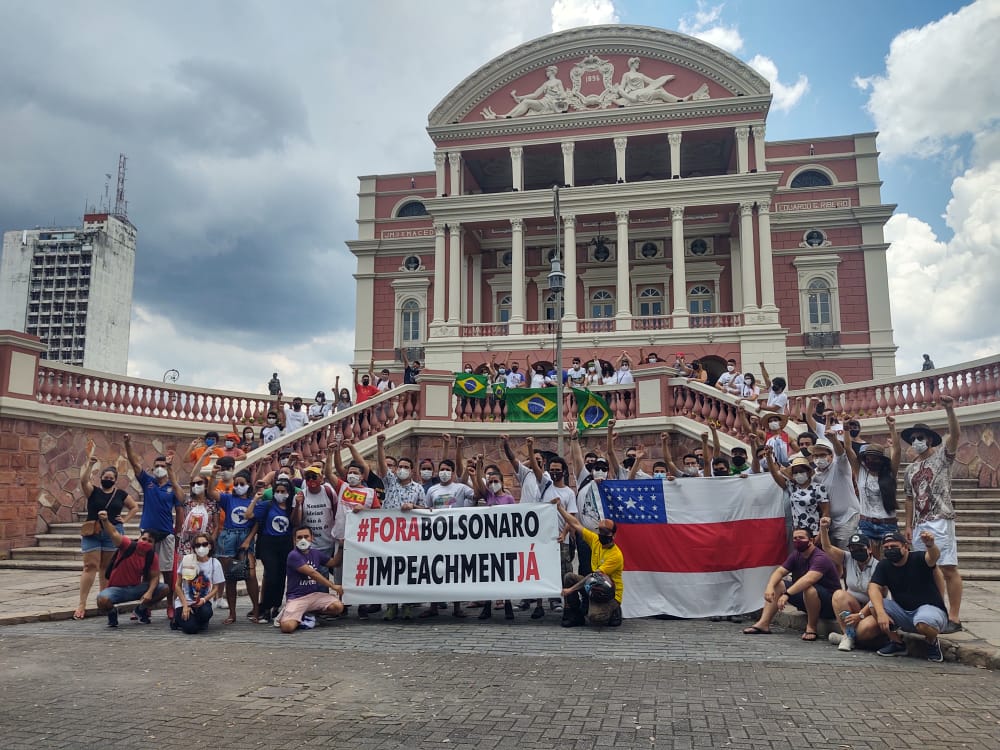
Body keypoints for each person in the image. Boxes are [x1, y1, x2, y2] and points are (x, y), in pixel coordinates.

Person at [902, 395, 963, 633]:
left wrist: (950, 409)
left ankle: (955, 617)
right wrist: (908, 525)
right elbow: (908, 497)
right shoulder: (911, 469)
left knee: (948, 567)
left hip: (941, 519)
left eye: (921, 438)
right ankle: (935, 609)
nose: (917, 441)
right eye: (914, 438)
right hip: (920, 523)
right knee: (926, 569)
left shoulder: (942, 459)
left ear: (930, 440)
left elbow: (955, 436)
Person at [859, 531, 948, 662]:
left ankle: (932, 642)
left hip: (929, 610)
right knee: (874, 605)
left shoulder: (919, 558)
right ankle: (897, 643)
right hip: (903, 612)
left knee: (922, 621)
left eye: (894, 547)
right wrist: (881, 613)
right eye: (886, 548)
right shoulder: (884, 565)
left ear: (905, 547)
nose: (890, 550)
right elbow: (873, 587)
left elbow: (933, 557)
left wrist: (930, 545)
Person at [75, 440, 138, 620]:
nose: (108, 479)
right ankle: (82, 603)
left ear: (115, 480)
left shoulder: (120, 494)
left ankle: (104, 599)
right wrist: (90, 465)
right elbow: (83, 480)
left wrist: (124, 519)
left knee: (105, 568)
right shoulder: (93, 491)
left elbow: (133, 507)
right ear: (101, 477)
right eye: (106, 477)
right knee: (90, 566)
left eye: (111, 478)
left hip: (112, 532)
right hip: (93, 532)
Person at [743, 527, 841, 640]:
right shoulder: (796, 555)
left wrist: (787, 594)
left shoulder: (820, 558)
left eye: (801, 538)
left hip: (829, 603)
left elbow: (809, 579)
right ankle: (763, 624)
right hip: (807, 599)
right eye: (795, 538)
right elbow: (780, 571)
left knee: (809, 588)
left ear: (811, 540)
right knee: (778, 584)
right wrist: (769, 587)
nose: (798, 541)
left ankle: (811, 627)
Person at [123, 434, 184, 616]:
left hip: (166, 533)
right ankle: (145, 607)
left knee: (168, 573)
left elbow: (180, 509)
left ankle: (170, 605)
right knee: (146, 571)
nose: (159, 469)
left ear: (168, 468)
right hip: (147, 534)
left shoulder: (173, 486)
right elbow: (135, 464)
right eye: (156, 466)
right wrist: (128, 444)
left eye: (163, 466)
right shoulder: (148, 482)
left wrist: (177, 533)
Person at [552, 502, 623, 628]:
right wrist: (559, 508)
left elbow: (594, 576)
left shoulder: (615, 555)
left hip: (609, 594)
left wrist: (570, 590)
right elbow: (575, 524)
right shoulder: (595, 540)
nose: (602, 535)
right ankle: (576, 615)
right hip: (595, 585)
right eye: (600, 531)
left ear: (614, 535)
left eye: (606, 533)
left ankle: (614, 611)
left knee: (594, 618)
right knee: (569, 577)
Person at [94, 510, 169, 628]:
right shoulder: (127, 545)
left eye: (150, 541)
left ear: (153, 545)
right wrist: (105, 520)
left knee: (164, 588)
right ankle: (112, 613)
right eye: (144, 539)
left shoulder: (151, 556)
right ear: (139, 538)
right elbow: (113, 533)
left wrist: (149, 593)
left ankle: (141, 610)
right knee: (102, 600)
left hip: (136, 588)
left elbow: (155, 576)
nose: (146, 543)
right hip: (117, 589)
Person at [207, 469, 260, 624]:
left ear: (248, 484)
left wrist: (249, 540)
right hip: (228, 537)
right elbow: (211, 492)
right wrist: (213, 476)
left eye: (241, 484)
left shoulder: (255, 500)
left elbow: (257, 522)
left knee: (250, 575)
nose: (237, 486)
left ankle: (256, 610)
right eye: (235, 484)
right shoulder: (228, 498)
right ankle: (232, 613)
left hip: (246, 535)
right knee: (230, 576)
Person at [819, 519, 881, 652]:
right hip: (852, 605)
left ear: (869, 549)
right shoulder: (848, 558)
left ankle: (849, 637)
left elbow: (879, 599)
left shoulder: (878, 567)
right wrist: (823, 529)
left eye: (860, 548)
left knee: (866, 630)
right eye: (853, 548)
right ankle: (848, 635)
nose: (856, 551)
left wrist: (861, 615)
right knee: (838, 595)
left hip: (872, 609)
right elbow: (827, 548)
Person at [277, 527, 345, 633]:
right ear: (294, 540)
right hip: (297, 597)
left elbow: (334, 563)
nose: (303, 540)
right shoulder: (293, 555)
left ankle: (309, 614)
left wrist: (341, 546)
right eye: (299, 537)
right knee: (287, 627)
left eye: (306, 536)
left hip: (314, 596)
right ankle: (290, 614)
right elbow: (312, 573)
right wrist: (333, 586)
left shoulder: (315, 553)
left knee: (338, 607)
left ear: (312, 538)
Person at [248, 476, 297, 623]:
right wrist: (255, 500)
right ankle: (265, 607)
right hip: (268, 543)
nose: (280, 494)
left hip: (285, 543)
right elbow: (249, 515)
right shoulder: (267, 505)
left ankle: (276, 605)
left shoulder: (290, 508)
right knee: (271, 574)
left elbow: (296, 523)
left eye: (283, 491)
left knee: (281, 576)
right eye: (278, 491)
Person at [850, 419, 901, 551]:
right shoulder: (860, 472)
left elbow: (897, 451)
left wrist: (892, 428)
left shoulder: (890, 473)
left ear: (881, 460)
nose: (871, 461)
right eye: (868, 458)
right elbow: (848, 450)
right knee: (865, 560)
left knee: (891, 559)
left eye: (875, 458)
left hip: (887, 524)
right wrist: (845, 431)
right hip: (866, 524)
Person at [810, 436, 860, 548]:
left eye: (822, 455)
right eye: (816, 456)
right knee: (832, 558)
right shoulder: (813, 475)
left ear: (831, 456)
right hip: (827, 524)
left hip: (848, 519)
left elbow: (841, 455)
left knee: (846, 555)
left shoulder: (840, 467)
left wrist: (833, 439)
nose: (819, 458)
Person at [765, 452, 829, 540]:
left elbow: (826, 512)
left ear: (808, 472)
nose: (798, 474)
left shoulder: (818, 488)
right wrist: (768, 457)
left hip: (815, 532)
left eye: (801, 471)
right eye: (795, 472)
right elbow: (774, 474)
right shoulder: (791, 486)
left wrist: (821, 534)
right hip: (797, 532)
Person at [171, 533, 225, 634]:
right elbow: (177, 585)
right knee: (191, 629)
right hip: (185, 601)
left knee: (206, 612)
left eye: (204, 544)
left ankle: (197, 620)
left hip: (202, 601)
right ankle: (178, 619)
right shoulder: (187, 560)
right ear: (194, 547)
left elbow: (216, 588)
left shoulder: (215, 563)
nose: (201, 547)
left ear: (210, 545)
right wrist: (185, 605)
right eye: (197, 545)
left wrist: (204, 600)